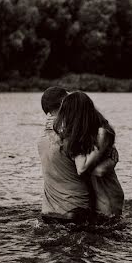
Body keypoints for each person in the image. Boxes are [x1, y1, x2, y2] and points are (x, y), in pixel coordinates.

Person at [54, 91, 124, 220]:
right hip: (96, 197)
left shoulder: (101, 133)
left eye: (67, 113)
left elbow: (88, 169)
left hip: (107, 197)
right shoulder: (85, 134)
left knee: (109, 228)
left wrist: (106, 158)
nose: (65, 118)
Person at [37, 87, 92, 224]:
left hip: (48, 212)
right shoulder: (72, 137)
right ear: (64, 104)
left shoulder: (42, 139)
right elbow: (85, 169)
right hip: (75, 211)